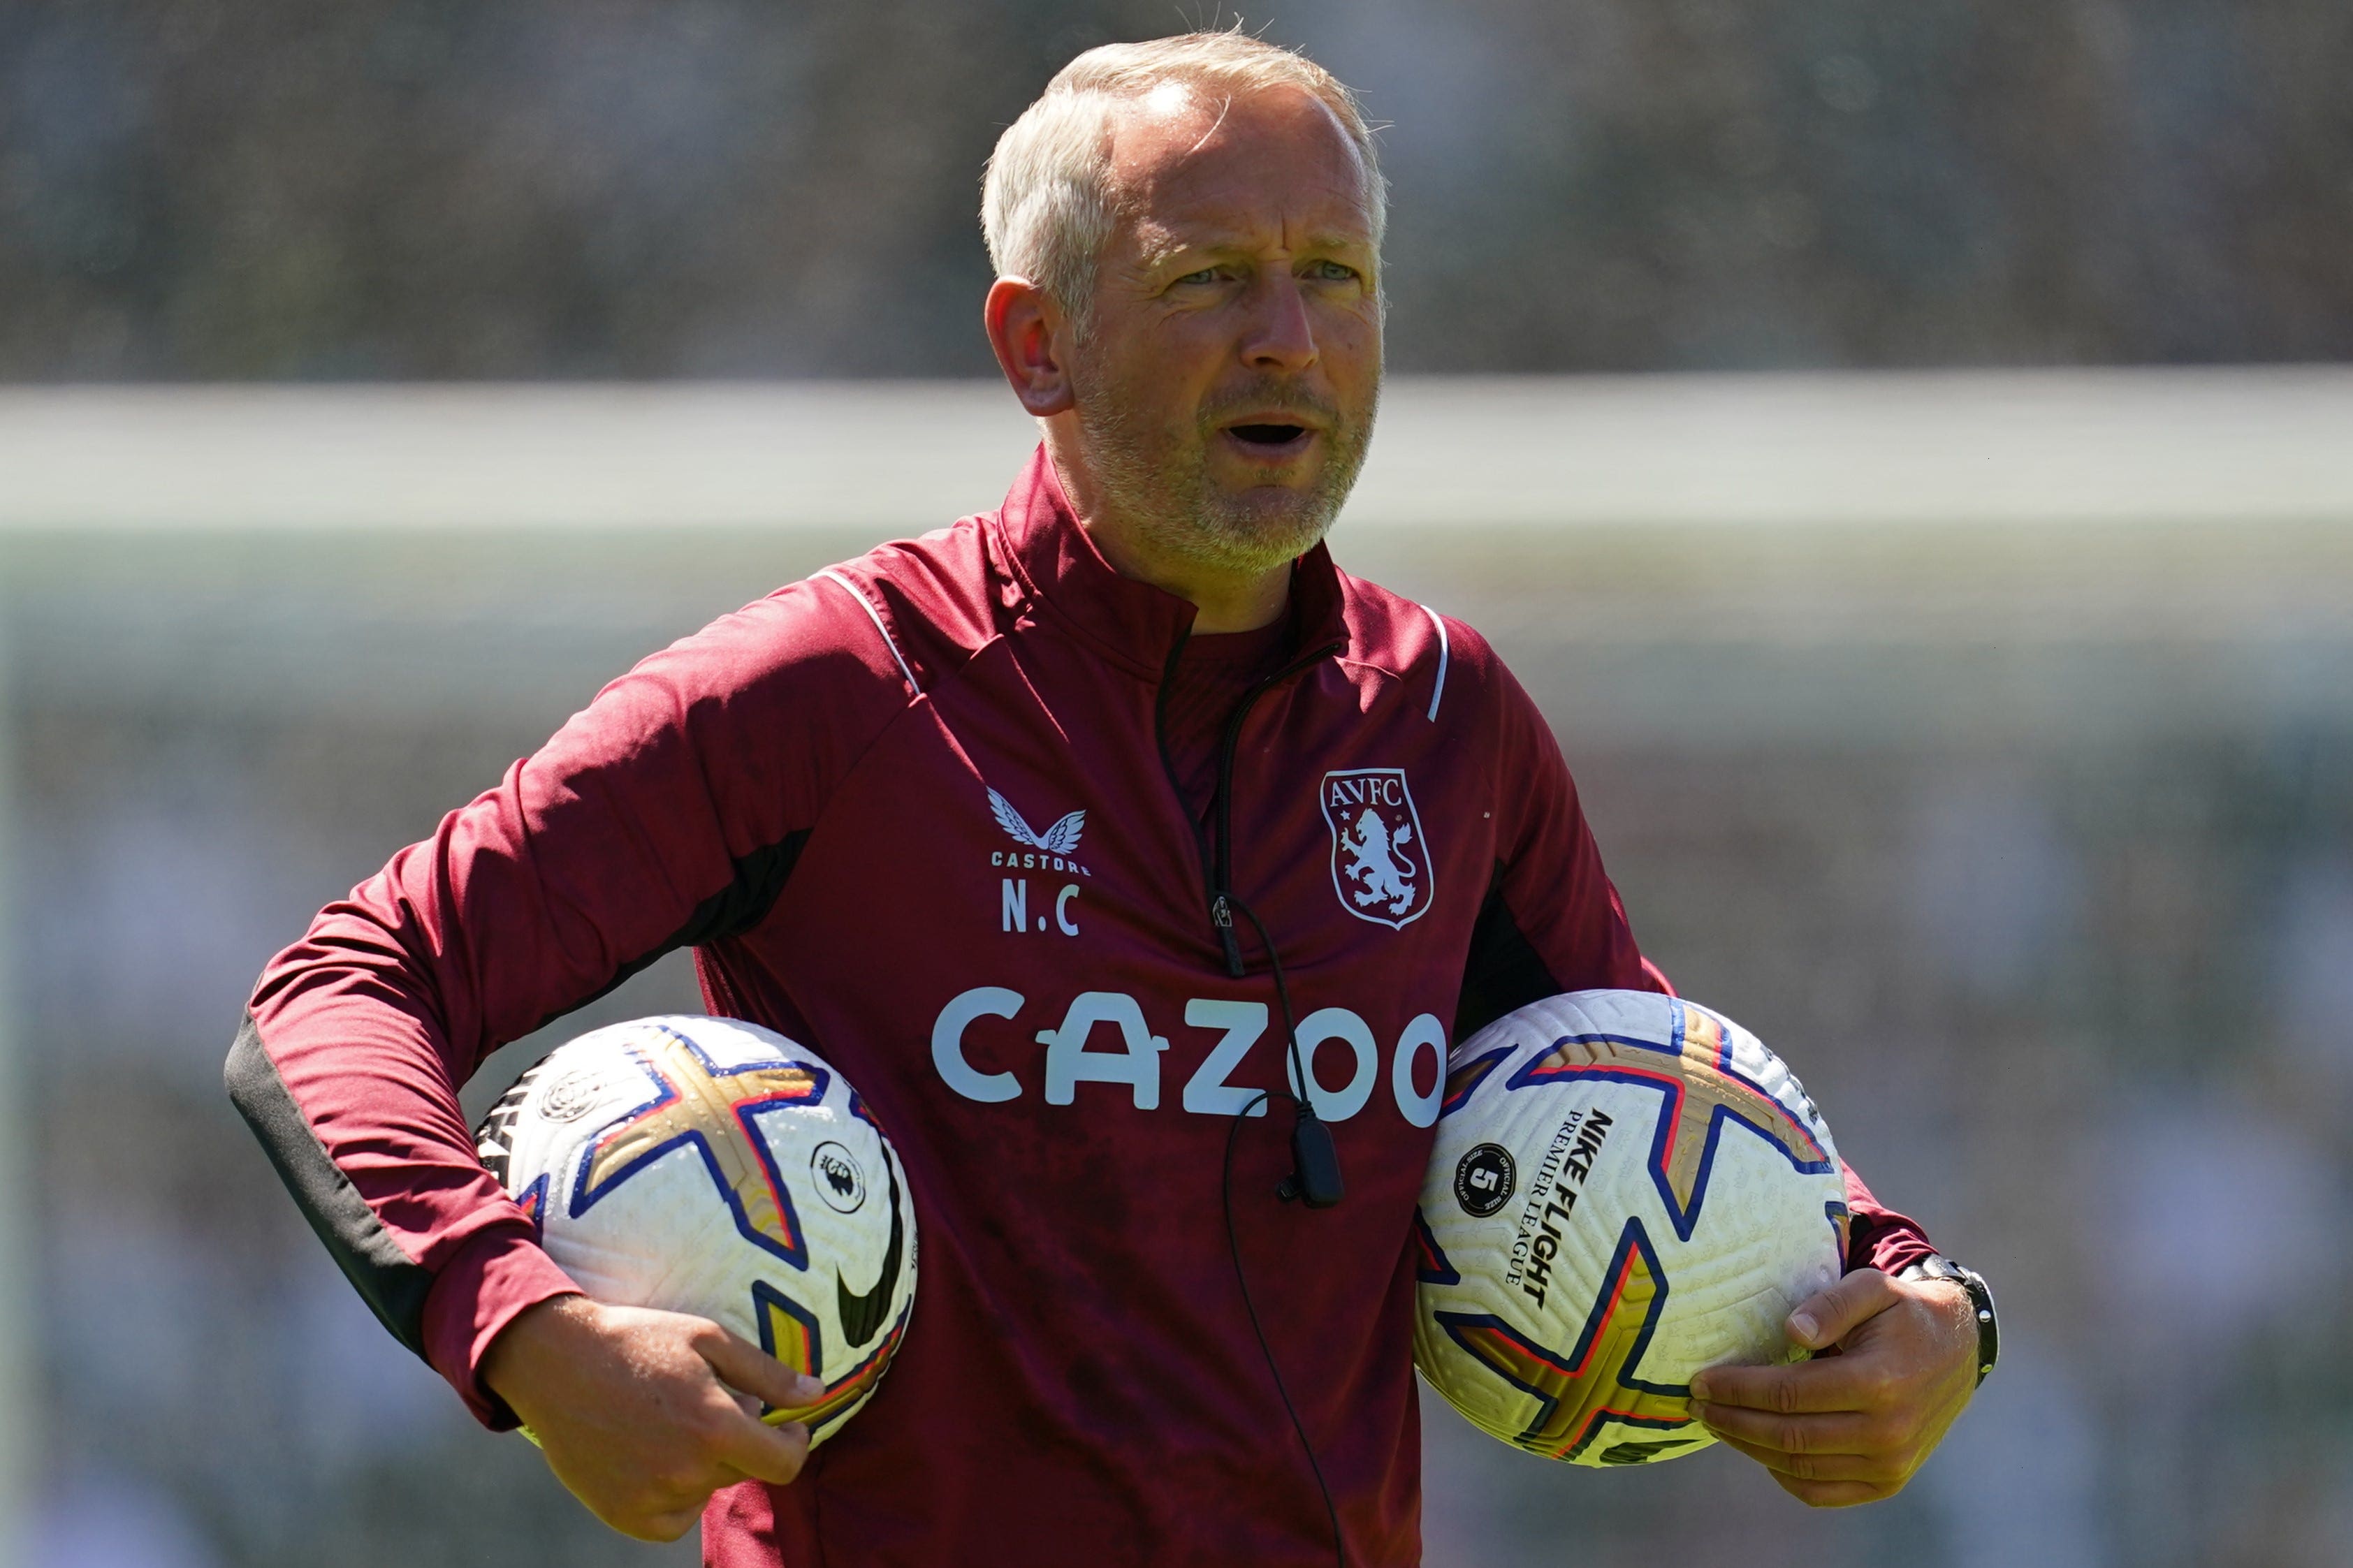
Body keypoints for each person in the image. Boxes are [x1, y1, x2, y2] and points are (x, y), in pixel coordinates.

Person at [227, 30, 1988, 1567]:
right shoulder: (830, 691)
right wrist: (514, 1321)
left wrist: (1919, 1301)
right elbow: (339, 987)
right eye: (1209, 276)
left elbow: (1658, 1087)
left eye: (1337, 274)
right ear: (1038, 343)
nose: (1291, 336)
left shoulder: (1450, 721)